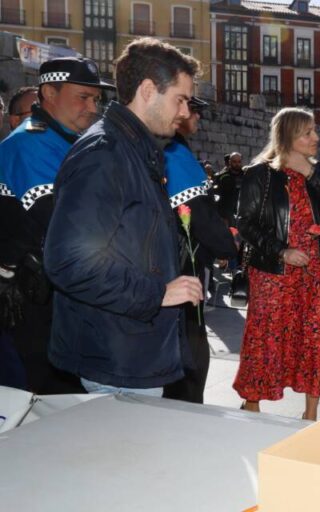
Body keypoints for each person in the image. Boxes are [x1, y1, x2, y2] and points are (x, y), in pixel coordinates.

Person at [43, 37, 204, 395]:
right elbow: (68, 261)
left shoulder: (135, 149)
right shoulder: (105, 153)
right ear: (148, 90)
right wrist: (157, 293)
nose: (184, 111)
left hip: (129, 349)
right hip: (115, 359)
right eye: (180, 99)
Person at [0, 57, 114, 394]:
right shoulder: (30, 142)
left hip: (58, 300)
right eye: (83, 97)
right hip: (34, 306)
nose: (92, 107)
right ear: (49, 92)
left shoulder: (66, 140)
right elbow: (65, 222)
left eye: (96, 99)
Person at [234, 107, 320, 421]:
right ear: (289, 135)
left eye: (314, 131)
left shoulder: (316, 170)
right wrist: (282, 251)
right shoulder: (260, 173)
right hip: (273, 273)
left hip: (314, 272)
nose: (316, 137)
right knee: (265, 338)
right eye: (308, 132)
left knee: (314, 339)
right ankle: (253, 405)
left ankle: (310, 413)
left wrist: (310, 173)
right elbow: (246, 224)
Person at [162, 96, 238, 403]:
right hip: (182, 268)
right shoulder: (176, 153)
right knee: (191, 354)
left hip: (169, 264)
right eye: (196, 112)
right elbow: (197, 213)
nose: (198, 120)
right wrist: (227, 244)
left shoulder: (168, 148)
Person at [213, 151, 244, 227]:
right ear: (229, 162)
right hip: (226, 214)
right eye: (234, 162)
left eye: (239, 162)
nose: (237, 164)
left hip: (242, 213)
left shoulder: (246, 176)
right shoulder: (222, 177)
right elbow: (216, 196)